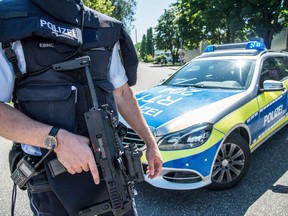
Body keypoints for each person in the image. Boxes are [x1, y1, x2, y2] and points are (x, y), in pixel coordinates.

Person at [0, 0, 163, 215]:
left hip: (112, 175)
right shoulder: (9, 22)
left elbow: (122, 93)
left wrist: (150, 143)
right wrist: (56, 141)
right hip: (52, 188)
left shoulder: (105, 28)